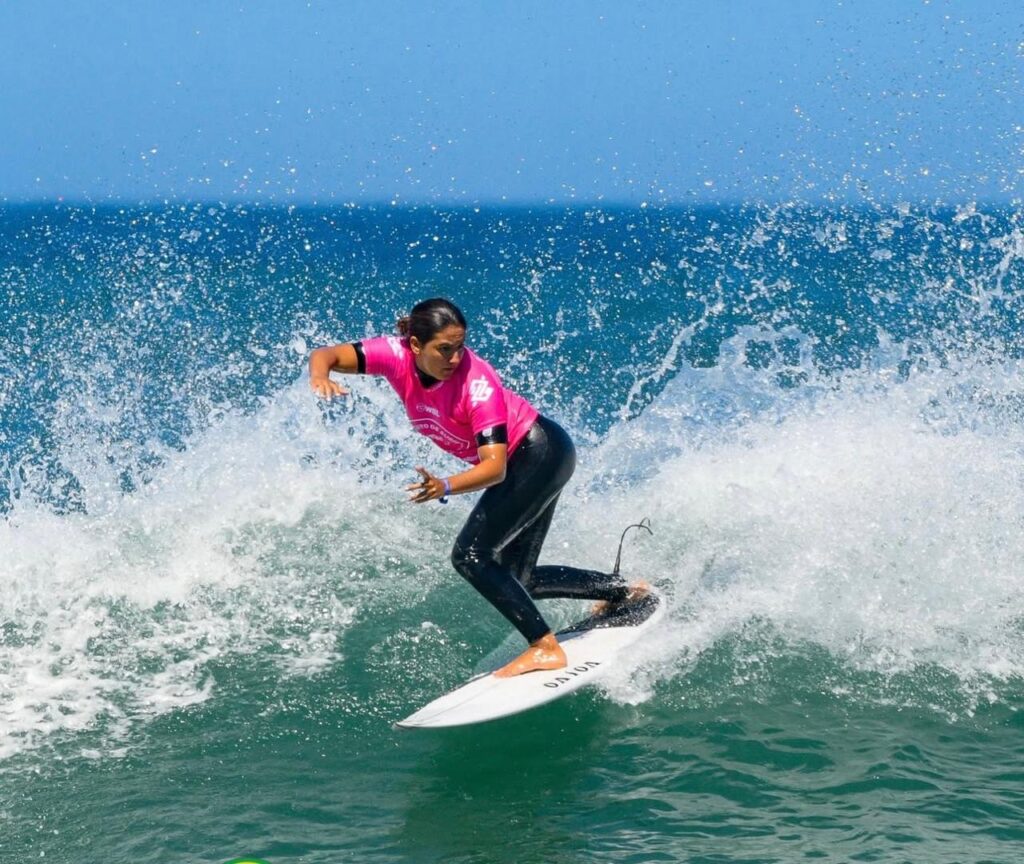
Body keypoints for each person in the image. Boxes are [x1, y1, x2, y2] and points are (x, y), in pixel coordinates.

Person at [308, 298, 644, 677]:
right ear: (415, 346)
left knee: (469, 556)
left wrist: (444, 486)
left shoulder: (476, 384)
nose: (454, 358)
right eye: (444, 349)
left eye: (460, 347)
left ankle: (544, 647)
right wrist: (320, 376)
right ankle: (622, 591)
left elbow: (495, 468)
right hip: (536, 457)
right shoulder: (393, 354)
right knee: (519, 578)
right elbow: (327, 354)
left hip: (538, 454)